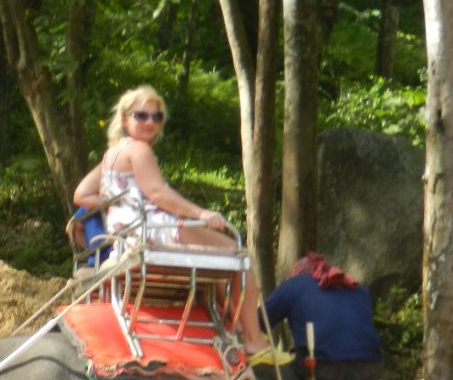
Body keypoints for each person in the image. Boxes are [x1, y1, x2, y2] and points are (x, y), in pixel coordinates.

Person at [72, 85, 290, 365]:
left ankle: (232, 323)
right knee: (240, 255)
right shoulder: (139, 150)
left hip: (128, 232)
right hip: (155, 229)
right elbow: (158, 194)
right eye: (142, 115)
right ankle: (253, 340)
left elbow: (81, 194)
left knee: (222, 258)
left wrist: (118, 201)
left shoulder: (113, 153)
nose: (150, 122)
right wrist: (201, 213)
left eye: (156, 117)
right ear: (126, 119)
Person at [262, 252, 385, 380]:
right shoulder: (358, 289)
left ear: (297, 273)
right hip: (369, 371)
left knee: (285, 366)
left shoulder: (293, 285)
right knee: (378, 379)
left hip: (322, 371)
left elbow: (258, 322)